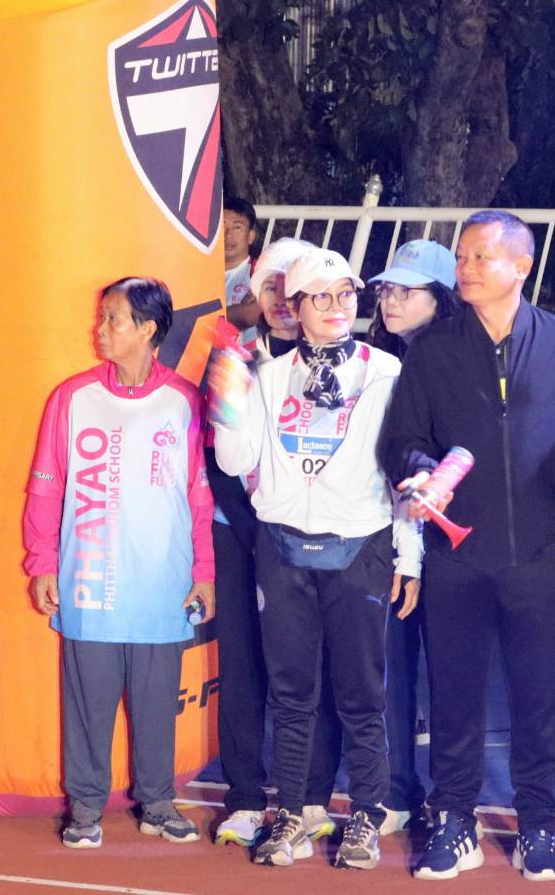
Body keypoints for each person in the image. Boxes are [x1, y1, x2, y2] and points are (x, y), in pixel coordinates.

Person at [378, 209, 555, 881]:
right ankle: (454, 819)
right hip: (457, 555)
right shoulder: (433, 348)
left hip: (542, 554)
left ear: (521, 266)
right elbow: (402, 439)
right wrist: (421, 473)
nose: (466, 268)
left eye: (481, 257)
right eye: (462, 257)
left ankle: (537, 822)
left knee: (538, 697)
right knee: (453, 695)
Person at [210, 248, 420, 870]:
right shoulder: (268, 376)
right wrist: (227, 399)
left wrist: (409, 557)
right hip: (282, 548)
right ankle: (292, 815)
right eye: (320, 297)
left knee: (361, 693)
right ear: (294, 307)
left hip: (361, 546)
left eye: (346, 294)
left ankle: (367, 816)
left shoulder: (387, 371)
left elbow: (404, 474)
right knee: (292, 692)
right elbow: (234, 461)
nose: (336, 307)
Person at [22, 276, 216, 849]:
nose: (100, 329)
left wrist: (204, 572)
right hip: (91, 577)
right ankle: (85, 807)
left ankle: (157, 802)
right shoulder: (72, 397)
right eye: (102, 317)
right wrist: (42, 562)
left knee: (157, 703)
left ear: (148, 329)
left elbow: (200, 497)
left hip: (162, 581)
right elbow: (46, 486)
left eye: (113, 319)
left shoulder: (185, 401)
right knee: (88, 703)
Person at [208, 236, 342, 849]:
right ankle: (243, 797)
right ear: (256, 294)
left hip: (315, 542)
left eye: (296, 289)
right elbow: (219, 459)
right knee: (242, 669)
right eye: (271, 288)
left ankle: (311, 795)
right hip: (243, 535)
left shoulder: (344, 367)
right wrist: (256, 528)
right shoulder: (232, 360)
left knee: (312, 668)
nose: (284, 301)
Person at [364, 237, 462, 834]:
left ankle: (449, 800)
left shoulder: (459, 364)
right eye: (386, 289)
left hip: (448, 543)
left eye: (406, 290)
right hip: (392, 541)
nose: (391, 300)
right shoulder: (377, 362)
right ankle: (397, 791)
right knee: (392, 672)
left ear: (441, 299)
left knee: (450, 676)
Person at [224, 197, 263, 330]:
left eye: (237, 227)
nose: (228, 235)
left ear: (250, 236)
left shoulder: (261, 274)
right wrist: (237, 312)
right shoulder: (196, 271)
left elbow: (249, 316)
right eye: (222, 226)